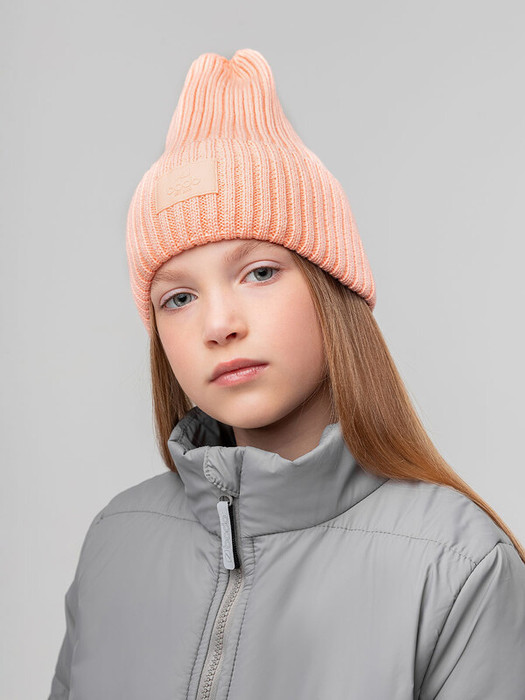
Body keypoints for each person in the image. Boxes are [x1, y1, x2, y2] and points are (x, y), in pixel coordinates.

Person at [48, 48, 525, 700]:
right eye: (178, 297)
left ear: (333, 288)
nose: (219, 324)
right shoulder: (117, 541)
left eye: (260, 272)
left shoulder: (459, 565)